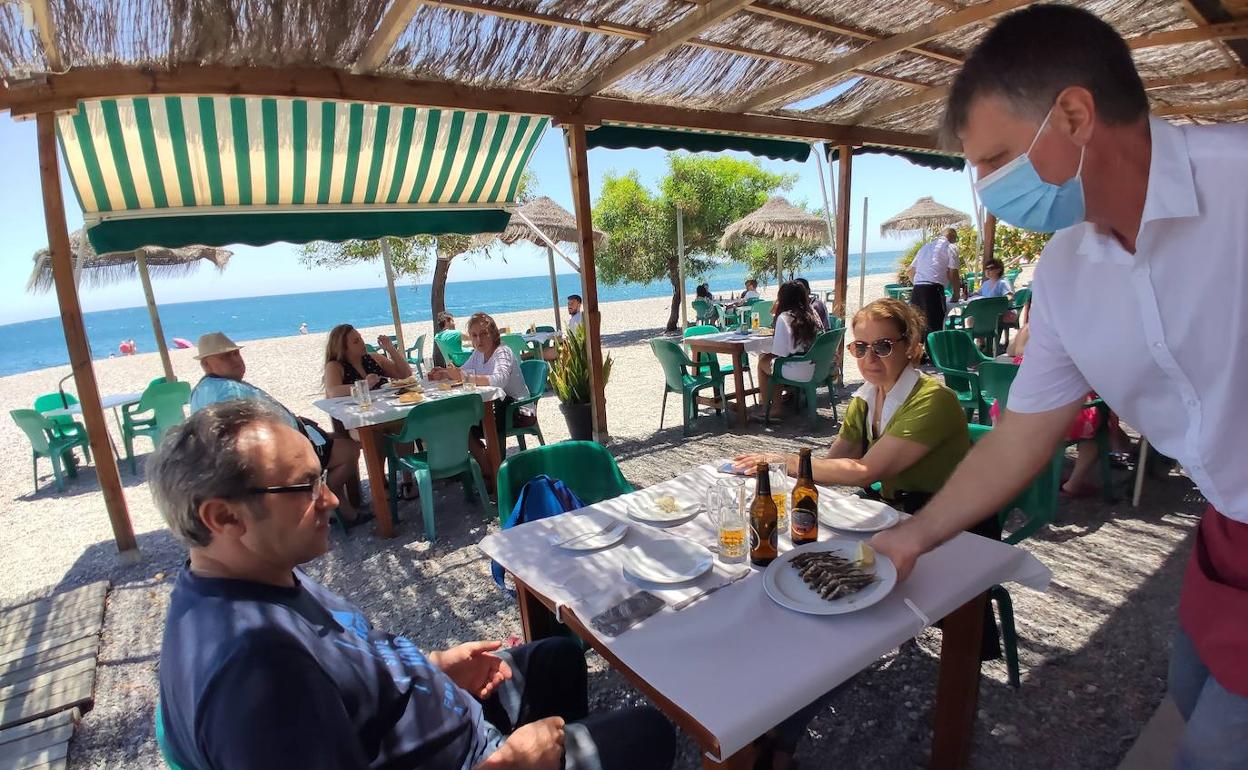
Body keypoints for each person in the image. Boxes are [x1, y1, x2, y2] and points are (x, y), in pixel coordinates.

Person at [868, 7, 1248, 767]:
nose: (986, 189)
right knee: (1187, 686)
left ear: (1075, 114)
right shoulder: (1068, 276)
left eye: (998, 158)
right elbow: (1021, 437)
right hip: (1225, 536)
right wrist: (912, 536)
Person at [151, 401, 676, 770]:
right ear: (222, 516)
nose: (331, 499)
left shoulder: (248, 578)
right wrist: (514, 764)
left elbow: (349, 671)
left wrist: (433, 666)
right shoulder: (256, 670)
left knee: (558, 657)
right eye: (306, 487)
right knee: (650, 730)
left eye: (321, 478)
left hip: (437, 720)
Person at [735, 299, 992, 768]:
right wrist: (802, 474)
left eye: (884, 346)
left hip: (948, 524)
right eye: (859, 347)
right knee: (802, 584)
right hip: (889, 517)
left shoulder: (932, 400)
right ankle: (775, 709)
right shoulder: (866, 398)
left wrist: (780, 461)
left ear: (912, 347)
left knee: (845, 620)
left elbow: (862, 469)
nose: (870, 358)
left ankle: (782, 736)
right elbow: (833, 462)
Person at [190, 332, 366, 524]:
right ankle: (320, 498)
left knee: (340, 439)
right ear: (206, 365)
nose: (235, 360)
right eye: (225, 357)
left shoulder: (205, 388)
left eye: (236, 354)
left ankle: (341, 507)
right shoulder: (227, 392)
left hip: (283, 444)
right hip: (277, 455)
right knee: (349, 449)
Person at [429, 312, 533, 487]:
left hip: (517, 410)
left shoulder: (502, 352)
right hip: (493, 409)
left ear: (493, 333)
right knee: (457, 423)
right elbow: (463, 371)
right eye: (475, 335)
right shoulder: (478, 354)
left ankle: (491, 474)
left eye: (484, 334)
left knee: (468, 421)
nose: (479, 340)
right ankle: (488, 467)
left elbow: (498, 380)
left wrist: (464, 377)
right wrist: (444, 373)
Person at [754, 281, 820, 421]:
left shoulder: (785, 317)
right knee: (772, 361)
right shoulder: (811, 313)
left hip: (800, 369)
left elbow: (781, 352)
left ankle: (770, 408)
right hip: (819, 366)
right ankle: (776, 405)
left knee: (764, 363)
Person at [323, 324, 413, 398]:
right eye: (356, 341)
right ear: (343, 348)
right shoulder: (335, 366)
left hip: (383, 407)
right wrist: (364, 385)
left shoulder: (374, 358)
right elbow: (332, 391)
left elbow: (405, 374)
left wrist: (391, 349)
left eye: (360, 338)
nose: (362, 342)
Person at [907, 227, 961, 337]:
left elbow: (910, 271)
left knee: (918, 329)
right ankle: (933, 354)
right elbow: (953, 272)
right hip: (933, 290)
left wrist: (919, 284)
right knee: (934, 330)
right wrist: (956, 293)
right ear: (953, 237)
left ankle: (919, 354)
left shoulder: (925, 247)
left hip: (917, 290)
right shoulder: (950, 247)